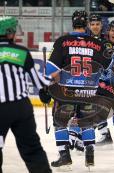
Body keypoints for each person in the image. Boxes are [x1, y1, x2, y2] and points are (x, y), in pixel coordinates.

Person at [41, 10, 112, 171]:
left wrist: (46, 86)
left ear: (72, 23)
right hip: (88, 92)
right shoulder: (98, 44)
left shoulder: (63, 41)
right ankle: (90, 155)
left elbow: (50, 70)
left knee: (59, 122)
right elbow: (108, 70)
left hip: (67, 92)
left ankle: (64, 156)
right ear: (87, 24)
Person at [0, 16, 52, 173]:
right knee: (32, 148)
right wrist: (52, 80)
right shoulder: (21, 52)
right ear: (10, 34)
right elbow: (39, 82)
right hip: (21, 108)